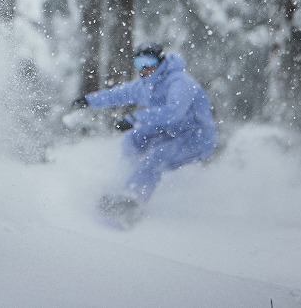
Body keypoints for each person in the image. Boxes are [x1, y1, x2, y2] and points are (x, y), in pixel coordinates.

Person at [71, 42, 218, 221]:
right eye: (139, 63)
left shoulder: (180, 82)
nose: (145, 68)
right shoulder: (147, 85)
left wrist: (135, 119)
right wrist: (88, 101)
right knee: (132, 140)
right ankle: (124, 186)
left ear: (161, 61)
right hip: (169, 132)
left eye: (148, 62)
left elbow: (174, 111)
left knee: (156, 157)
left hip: (196, 137)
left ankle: (133, 198)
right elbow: (118, 94)